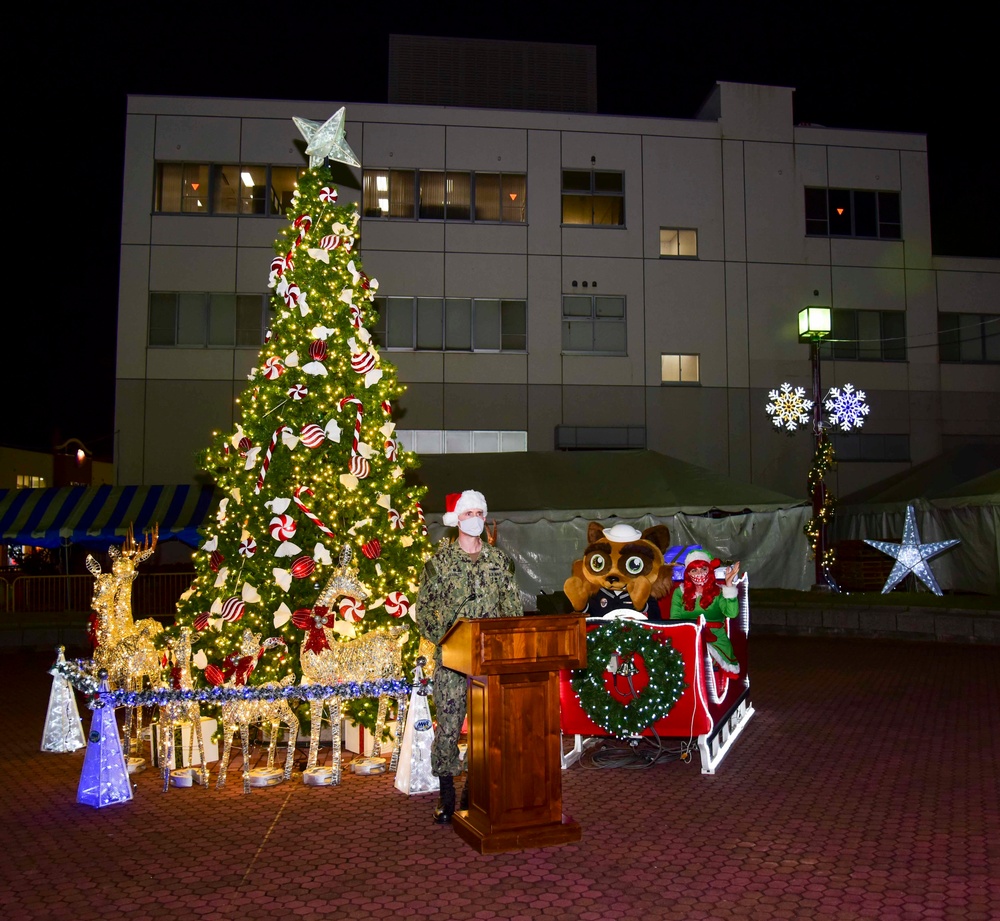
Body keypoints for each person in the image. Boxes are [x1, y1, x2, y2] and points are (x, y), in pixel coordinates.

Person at [415, 489, 522, 824]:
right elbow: (425, 612)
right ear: (455, 520)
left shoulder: (500, 562)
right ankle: (447, 793)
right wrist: (448, 640)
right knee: (448, 728)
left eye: (479, 513)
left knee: (485, 730)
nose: (474, 519)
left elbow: (512, 609)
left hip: (489, 662)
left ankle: (473, 790)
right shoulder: (438, 565)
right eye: (468, 513)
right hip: (452, 663)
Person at [668, 550, 742, 675]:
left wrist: (729, 587)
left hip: (716, 639)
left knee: (706, 661)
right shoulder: (679, 592)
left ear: (709, 570)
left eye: (703, 569)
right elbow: (675, 620)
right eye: (694, 570)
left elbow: (732, 613)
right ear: (688, 573)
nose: (699, 573)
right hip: (689, 636)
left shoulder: (719, 591)